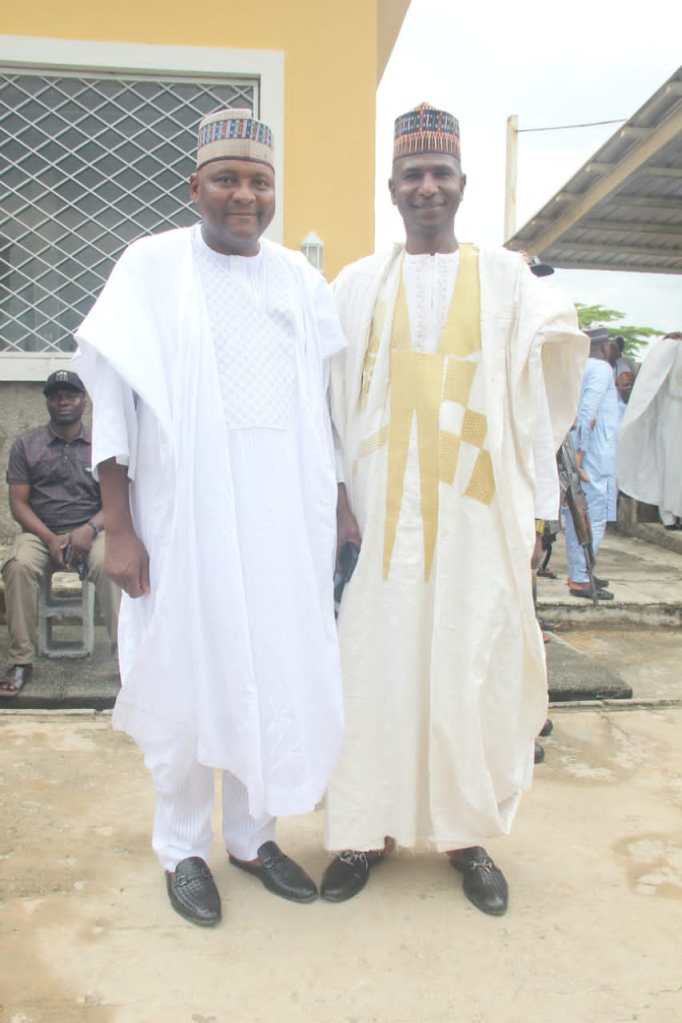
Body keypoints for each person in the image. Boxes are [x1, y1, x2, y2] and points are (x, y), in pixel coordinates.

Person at [73, 108, 346, 927]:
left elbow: (321, 409)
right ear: (195, 186)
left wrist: (335, 510)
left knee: (272, 666)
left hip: (280, 525)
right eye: (226, 179)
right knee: (185, 670)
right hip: (180, 520)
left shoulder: (300, 281)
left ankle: (254, 838)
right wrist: (120, 526)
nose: (244, 195)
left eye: (260, 181)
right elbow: (112, 402)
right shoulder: (150, 265)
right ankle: (183, 847)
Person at [323, 103, 587, 915]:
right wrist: (339, 500)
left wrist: (536, 508)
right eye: (413, 175)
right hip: (381, 519)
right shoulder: (356, 284)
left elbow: (548, 370)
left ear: (463, 185)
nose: (427, 186)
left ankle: (466, 835)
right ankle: (364, 830)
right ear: (392, 189)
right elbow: (327, 398)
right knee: (374, 666)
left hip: (476, 516)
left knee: (470, 665)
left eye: (440, 173)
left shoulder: (506, 278)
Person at [1, 370, 120, 698]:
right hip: (41, 533)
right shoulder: (27, 445)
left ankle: (127, 658)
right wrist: (50, 538)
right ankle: (21, 661)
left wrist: (89, 529)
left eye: (71, 395)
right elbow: (18, 503)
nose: (63, 400)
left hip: (93, 531)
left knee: (111, 564)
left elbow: (116, 500)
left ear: (84, 401)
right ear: (48, 402)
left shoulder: (103, 445)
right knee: (18, 565)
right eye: (56, 395)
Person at [563, 327, 620, 599]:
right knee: (591, 517)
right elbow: (587, 412)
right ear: (604, 347)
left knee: (579, 515)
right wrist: (580, 454)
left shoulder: (580, 367)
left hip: (587, 453)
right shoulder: (601, 369)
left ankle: (584, 570)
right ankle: (581, 579)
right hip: (593, 458)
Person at [618, 332, 682, 530]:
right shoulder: (671, 347)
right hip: (671, 418)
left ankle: (672, 516)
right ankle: (670, 516)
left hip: (671, 417)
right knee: (669, 466)